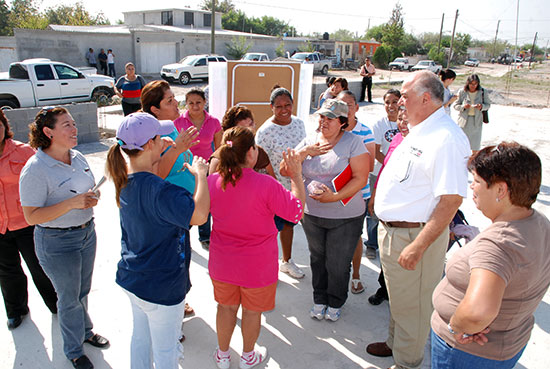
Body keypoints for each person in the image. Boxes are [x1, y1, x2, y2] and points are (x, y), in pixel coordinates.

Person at [366, 71, 470, 369]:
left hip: (415, 237)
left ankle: (407, 362)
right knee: (400, 301)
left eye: (405, 95)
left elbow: (450, 200)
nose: (400, 101)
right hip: (395, 232)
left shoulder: (445, 138)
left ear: (426, 99)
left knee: (414, 306)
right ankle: (395, 344)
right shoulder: (421, 129)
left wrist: (419, 246)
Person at [431, 142, 550, 369]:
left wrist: (457, 325)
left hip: (466, 353)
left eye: (476, 181)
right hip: (506, 343)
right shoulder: (537, 221)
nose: (472, 188)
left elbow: (478, 312)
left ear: (500, 190)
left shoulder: (498, 243)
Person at [105, 112, 209, 369]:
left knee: (140, 340)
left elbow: (153, 174)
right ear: (150, 144)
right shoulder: (163, 192)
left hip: (133, 279)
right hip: (161, 286)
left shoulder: (125, 181)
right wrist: (202, 176)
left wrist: (173, 151)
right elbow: (199, 215)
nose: (167, 141)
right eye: (162, 138)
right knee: (167, 351)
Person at [19, 107, 109, 369]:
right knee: (68, 298)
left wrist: (90, 198)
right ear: (48, 132)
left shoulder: (78, 157)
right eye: (67, 125)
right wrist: (72, 203)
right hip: (57, 242)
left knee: (82, 291)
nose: (74, 128)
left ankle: (85, 331)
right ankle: (74, 350)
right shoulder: (35, 169)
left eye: (73, 123)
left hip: (86, 233)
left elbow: (83, 192)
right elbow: (31, 216)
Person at [209, 127, 305, 369]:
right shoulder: (266, 184)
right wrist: (296, 176)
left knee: (225, 308)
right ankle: (248, 356)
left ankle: (222, 355)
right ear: (251, 152)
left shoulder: (212, 181)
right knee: (252, 312)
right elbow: (296, 213)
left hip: (222, 262)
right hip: (257, 266)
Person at [292, 99, 369, 321]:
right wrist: (305, 152)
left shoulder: (354, 143)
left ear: (343, 122)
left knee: (337, 262)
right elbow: (287, 168)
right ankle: (319, 299)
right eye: (322, 117)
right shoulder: (309, 141)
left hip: (345, 216)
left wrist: (333, 197)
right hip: (312, 215)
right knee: (317, 258)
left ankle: (335, 301)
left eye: (330, 118)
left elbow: (360, 177)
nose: (323, 122)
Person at [141, 80, 199, 320]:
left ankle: (180, 298)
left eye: (174, 98)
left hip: (183, 208)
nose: (177, 103)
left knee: (183, 254)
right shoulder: (150, 135)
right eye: (169, 101)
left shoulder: (172, 127)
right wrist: (177, 150)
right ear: (154, 109)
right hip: (167, 211)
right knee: (172, 258)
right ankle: (170, 310)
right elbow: (155, 176)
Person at [0, 111, 57, 330]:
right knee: (7, 271)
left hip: (26, 224)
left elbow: (43, 178)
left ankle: (56, 305)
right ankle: (16, 311)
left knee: (39, 267)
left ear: (5, 126)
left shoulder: (23, 152)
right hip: (1, 226)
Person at [255, 86, 307, 279]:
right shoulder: (265, 132)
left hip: (294, 186)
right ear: (271, 107)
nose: (284, 109)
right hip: (272, 188)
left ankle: (286, 261)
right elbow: (260, 162)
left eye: (288, 105)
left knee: (289, 226)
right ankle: (265, 267)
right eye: (279, 106)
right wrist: (273, 185)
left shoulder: (300, 124)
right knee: (268, 230)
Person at [367, 108, 409, 306]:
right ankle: (384, 289)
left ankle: (400, 297)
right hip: (389, 208)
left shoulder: (425, 144)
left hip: (409, 213)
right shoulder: (396, 140)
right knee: (388, 254)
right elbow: (384, 170)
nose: (403, 123)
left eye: (407, 119)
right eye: (400, 119)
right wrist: (374, 196)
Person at [336, 90, 375, 294]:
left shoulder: (365, 131)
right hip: (335, 192)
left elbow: (368, 165)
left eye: (350, 104)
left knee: (355, 236)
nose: (346, 108)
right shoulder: (332, 128)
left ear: (356, 107)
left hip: (358, 193)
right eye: (341, 104)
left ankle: (356, 274)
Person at [174, 89, 222, 250]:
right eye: (191, 103)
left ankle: (205, 236)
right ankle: (181, 233)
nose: (195, 106)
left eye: (198, 102)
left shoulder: (214, 122)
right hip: (185, 168)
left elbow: (219, 147)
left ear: (205, 103)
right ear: (186, 104)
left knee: (204, 203)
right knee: (184, 201)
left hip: (206, 168)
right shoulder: (178, 122)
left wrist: (216, 168)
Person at [364, 89, 401, 260]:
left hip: (401, 176)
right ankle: (371, 244)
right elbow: (376, 150)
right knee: (373, 210)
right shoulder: (379, 124)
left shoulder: (407, 123)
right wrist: (390, 165)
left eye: (395, 102)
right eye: (387, 102)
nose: (391, 106)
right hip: (378, 174)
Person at [209, 105, 276, 178]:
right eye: (243, 128)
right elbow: (211, 187)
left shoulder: (258, 151)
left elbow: (274, 181)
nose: (251, 130)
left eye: (251, 124)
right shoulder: (218, 159)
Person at [454, 74, 491, 153]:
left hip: (476, 122)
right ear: (468, 83)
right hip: (463, 122)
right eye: (471, 84)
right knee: (461, 145)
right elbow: (455, 105)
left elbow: (488, 105)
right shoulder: (462, 92)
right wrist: (463, 107)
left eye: (475, 84)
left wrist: (481, 107)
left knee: (475, 145)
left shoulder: (483, 92)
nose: (473, 86)